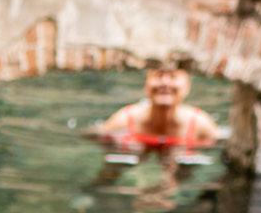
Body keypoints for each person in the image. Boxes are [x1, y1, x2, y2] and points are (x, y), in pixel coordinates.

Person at [91, 59, 220, 159]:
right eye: (158, 76)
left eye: (173, 77)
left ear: (187, 87)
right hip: (136, 146)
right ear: (146, 85)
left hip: (181, 148)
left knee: (182, 170)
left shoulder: (201, 125)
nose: (165, 83)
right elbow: (95, 136)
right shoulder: (124, 120)